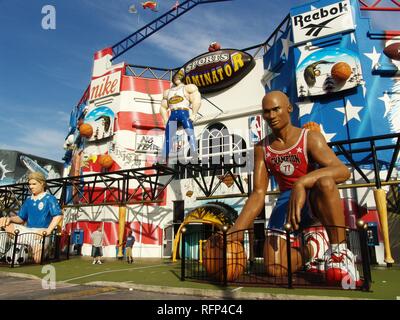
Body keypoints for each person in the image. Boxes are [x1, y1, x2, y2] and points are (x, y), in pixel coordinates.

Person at [227, 91, 361, 284]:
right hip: (287, 202)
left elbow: (341, 171)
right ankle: (313, 249)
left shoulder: (310, 138)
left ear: (289, 108)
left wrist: (302, 182)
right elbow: (258, 193)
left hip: (314, 198)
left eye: (276, 109)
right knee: (275, 268)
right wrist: (236, 229)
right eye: (266, 112)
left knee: (325, 182)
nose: (271, 116)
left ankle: (339, 252)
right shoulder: (262, 148)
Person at [0, 172, 63, 264]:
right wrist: (9, 219)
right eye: (30, 184)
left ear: (42, 183)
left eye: (34, 184)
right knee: (4, 222)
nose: (31, 187)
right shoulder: (29, 200)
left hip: (40, 232)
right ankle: (3, 252)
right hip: (26, 232)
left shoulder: (50, 198)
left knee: (37, 260)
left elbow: (58, 216)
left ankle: (44, 251)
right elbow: (21, 218)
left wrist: (48, 231)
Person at [159, 68, 201, 162]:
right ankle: (163, 159)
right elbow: (162, 107)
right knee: (168, 136)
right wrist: (165, 119)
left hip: (184, 113)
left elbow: (196, 100)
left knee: (190, 133)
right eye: (177, 75)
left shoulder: (188, 88)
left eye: (180, 75)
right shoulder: (168, 92)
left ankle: (194, 154)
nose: (178, 77)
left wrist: (194, 114)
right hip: (173, 114)